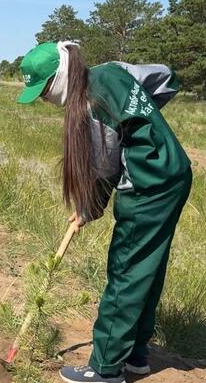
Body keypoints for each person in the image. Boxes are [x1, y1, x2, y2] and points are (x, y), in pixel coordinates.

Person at [16, 42, 191, 383]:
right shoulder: (111, 71)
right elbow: (165, 79)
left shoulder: (90, 105)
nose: (42, 99)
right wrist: (142, 121)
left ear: (59, 77)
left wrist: (87, 209)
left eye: (43, 91)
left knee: (126, 268)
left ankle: (105, 368)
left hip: (147, 185)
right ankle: (136, 356)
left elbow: (105, 170)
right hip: (174, 172)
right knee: (147, 268)